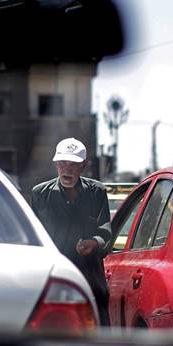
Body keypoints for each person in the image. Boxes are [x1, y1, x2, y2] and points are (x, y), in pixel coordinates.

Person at [30, 137, 112, 326]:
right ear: (56, 164)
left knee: (97, 331)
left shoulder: (97, 192)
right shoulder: (40, 194)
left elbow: (106, 235)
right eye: (63, 163)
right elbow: (33, 235)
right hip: (53, 276)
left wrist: (93, 243)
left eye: (74, 164)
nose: (67, 168)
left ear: (83, 165)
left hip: (90, 277)